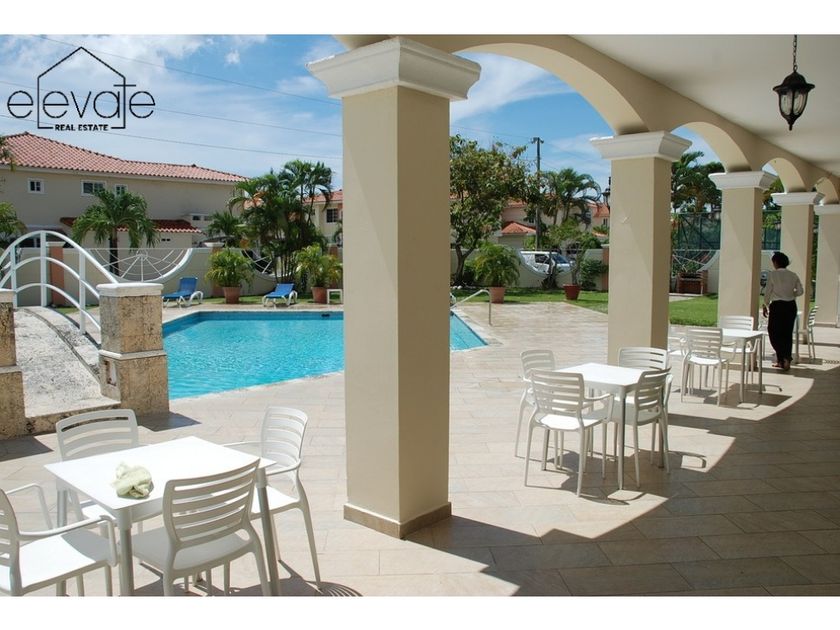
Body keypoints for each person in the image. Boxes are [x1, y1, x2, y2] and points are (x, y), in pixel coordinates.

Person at [762, 251, 803, 371]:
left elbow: (768, 291)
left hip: (777, 306)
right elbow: (800, 291)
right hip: (790, 306)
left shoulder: (773, 275)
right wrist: (791, 294)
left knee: (773, 331)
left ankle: (783, 357)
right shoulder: (793, 275)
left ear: (775, 262)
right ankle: (784, 360)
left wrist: (765, 304)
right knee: (787, 333)